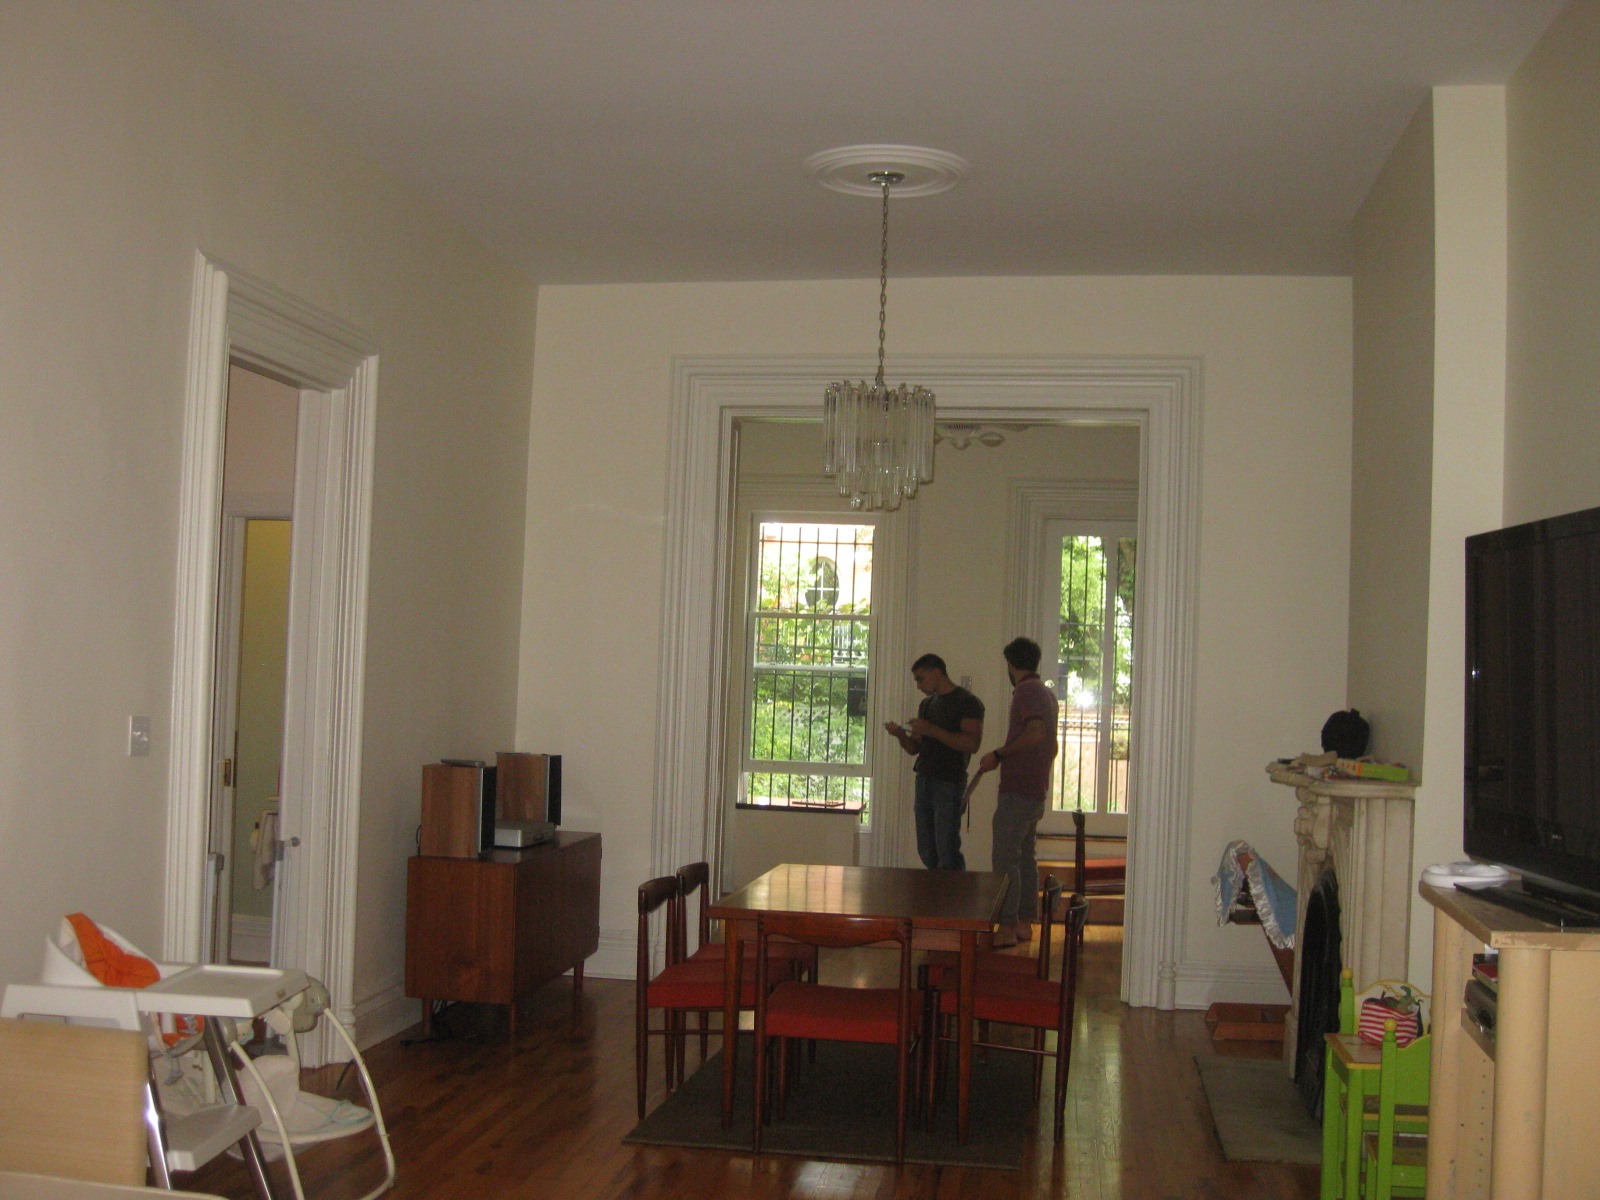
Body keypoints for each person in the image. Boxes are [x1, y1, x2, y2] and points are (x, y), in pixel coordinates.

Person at [977, 636, 1059, 947]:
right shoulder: (1047, 694)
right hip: (1034, 789)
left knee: (1005, 859)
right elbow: (1051, 745)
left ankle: (1007, 927)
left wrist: (999, 755)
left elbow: (1036, 733)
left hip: (1018, 791)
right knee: (1025, 857)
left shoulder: (1027, 691)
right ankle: (1025, 923)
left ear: (1011, 664)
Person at [884, 654, 984, 870]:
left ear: (937, 672)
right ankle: (936, 889)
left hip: (949, 782)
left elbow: (972, 744)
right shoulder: (927, 704)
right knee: (927, 849)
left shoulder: (968, 702)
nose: (918, 685)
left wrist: (932, 730)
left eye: (921, 679)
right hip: (924, 779)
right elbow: (914, 748)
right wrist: (900, 734)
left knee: (947, 848)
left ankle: (954, 890)